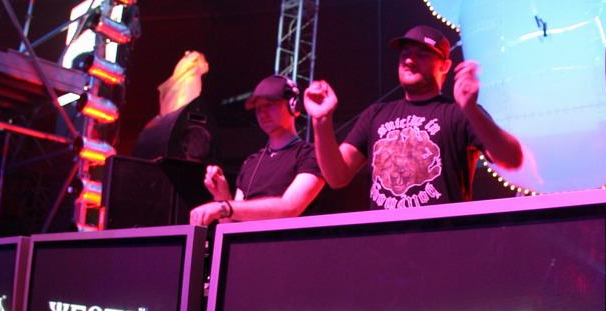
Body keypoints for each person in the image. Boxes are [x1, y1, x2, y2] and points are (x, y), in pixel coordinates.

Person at [303, 25, 522, 210]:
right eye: (405, 54)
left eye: (422, 55)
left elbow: (512, 159)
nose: (409, 60)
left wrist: (471, 109)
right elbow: (337, 177)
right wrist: (321, 121)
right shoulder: (375, 114)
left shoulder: (459, 112)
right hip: (384, 241)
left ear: (445, 65)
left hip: (443, 240)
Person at [189, 75, 324, 225]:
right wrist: (222, 195)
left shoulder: (310, 155)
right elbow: (231, 227)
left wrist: (224, 207)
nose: (263, 113)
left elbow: (290, 208)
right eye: (258, 108)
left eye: (270, 104)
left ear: (294, 107)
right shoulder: (251, 162)